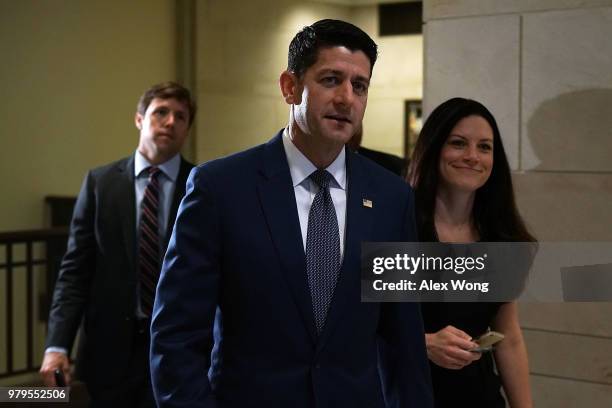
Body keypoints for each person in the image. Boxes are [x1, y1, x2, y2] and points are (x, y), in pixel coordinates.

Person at [150, 19, 432, 408]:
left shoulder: (391, 197)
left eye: (359, 86)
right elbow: (176, 336)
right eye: (331, 80)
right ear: (290, 86)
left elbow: (403, 343)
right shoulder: (221, 188)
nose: (346, 98)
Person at [40, 82, 196, 407]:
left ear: (187, 128)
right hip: (107, 352)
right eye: (161, 112)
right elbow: (74, 272)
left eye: (180, 116)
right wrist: (57, 347)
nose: (170, 122)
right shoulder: (100, 184)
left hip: (180, 351)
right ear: (139, 119)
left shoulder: (202, 185)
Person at [407, 97, 534, 407]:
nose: (472, 157)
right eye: (459, 143)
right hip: (409, 394)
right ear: (434, 148)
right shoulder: (399, 227)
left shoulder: (501, 239)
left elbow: (509, 337)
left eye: (485, 147)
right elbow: (360, 327)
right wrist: (423, 343)